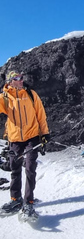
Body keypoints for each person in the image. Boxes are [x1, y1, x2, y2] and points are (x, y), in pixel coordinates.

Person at [0, 71, 50, 218]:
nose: (21, 80)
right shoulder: (5, 97)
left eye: (21, 78)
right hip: (14, 139)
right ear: (10, 81)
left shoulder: (31, 94)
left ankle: (28, 201)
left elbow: (40, 114)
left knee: (30, 168)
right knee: (15, 169)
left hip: (32, 137)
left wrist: (45, 134)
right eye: (17, 78)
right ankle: (15, 199)